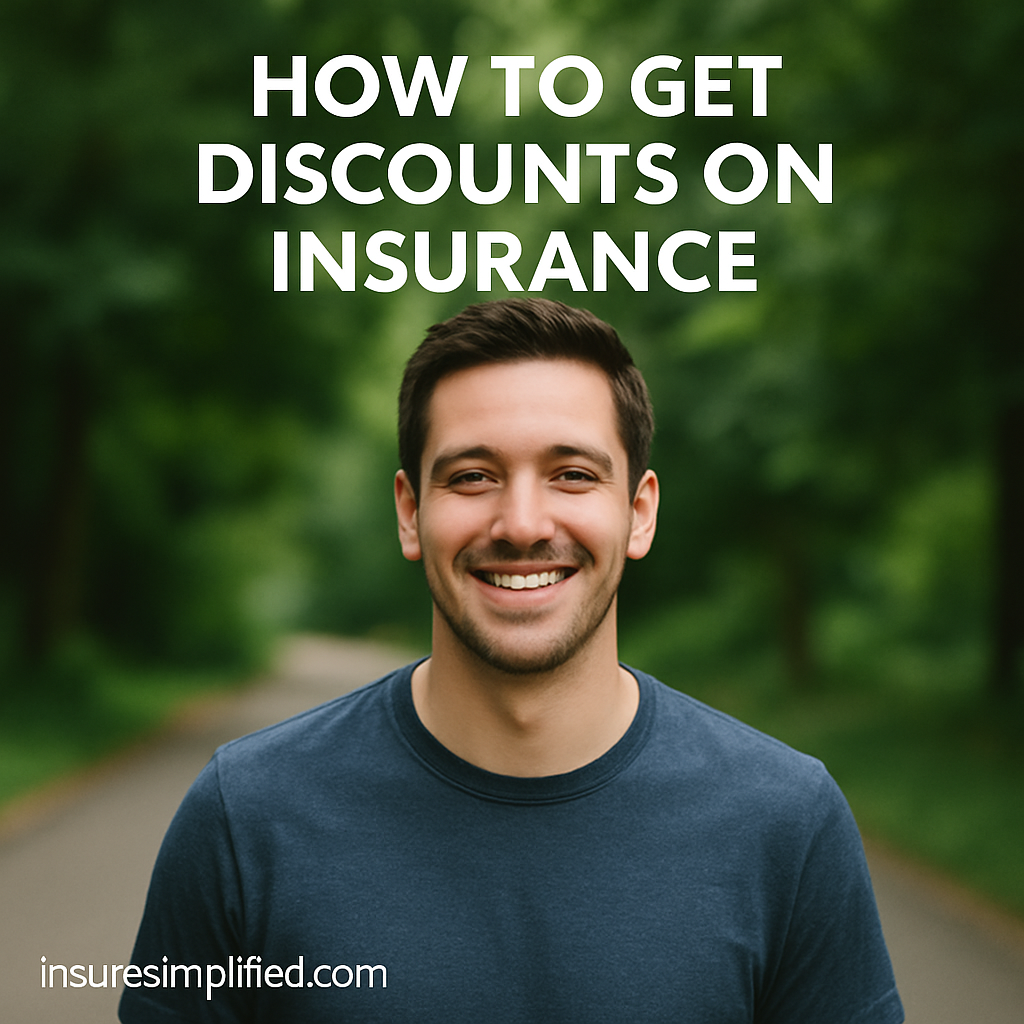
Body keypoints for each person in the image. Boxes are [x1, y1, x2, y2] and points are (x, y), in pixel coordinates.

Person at [120, 298, 904, 1023]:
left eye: (572, 475)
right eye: (472, 477)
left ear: (638, 512)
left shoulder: (787, 824)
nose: (523, 523)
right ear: (410, 512)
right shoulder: (244, 820)